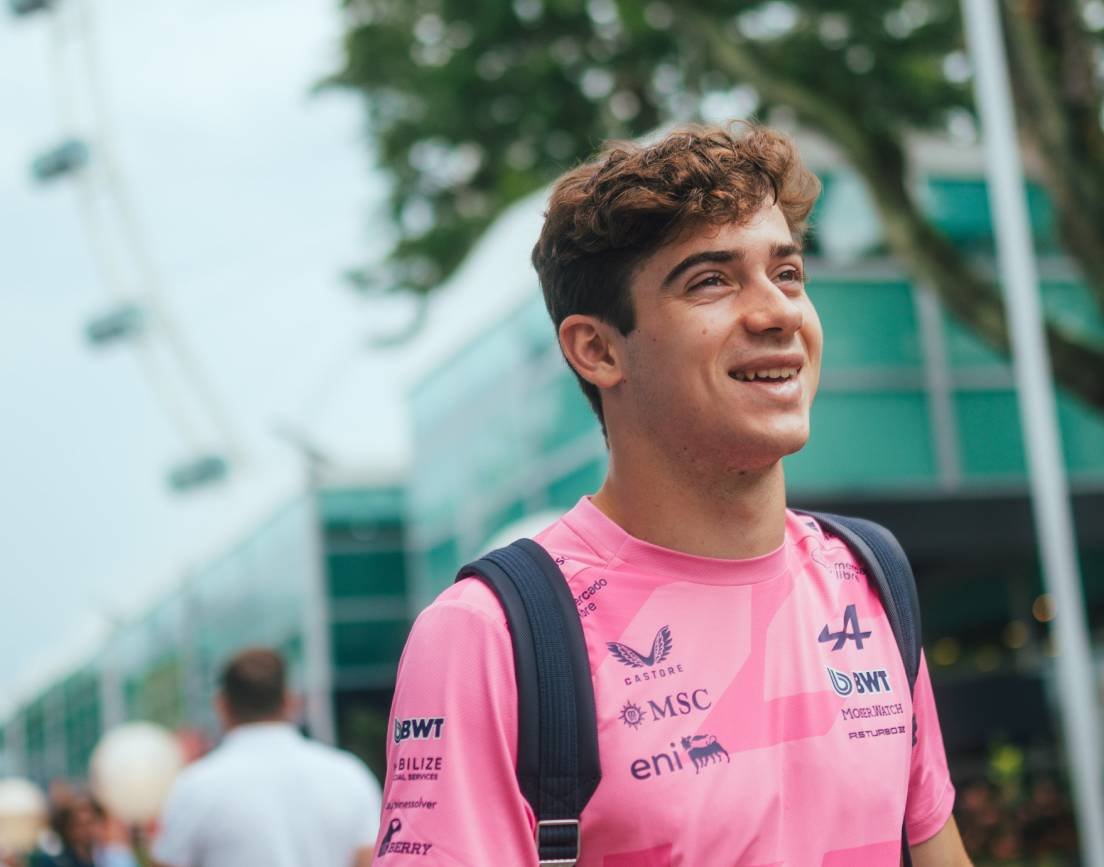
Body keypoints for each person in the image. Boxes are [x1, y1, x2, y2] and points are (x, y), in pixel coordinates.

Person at [376, 123, 972, 865]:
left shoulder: (868, 575)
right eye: (711, 281)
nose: (778, 312)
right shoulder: (487, 634)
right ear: (598, 349)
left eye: (787, 273)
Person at [151, 648, 380, 867]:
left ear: (221, 705)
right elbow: (372, 859)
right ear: (290, 701)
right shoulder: (349, 775)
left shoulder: (194, 788)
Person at [28, 792, 136, 867]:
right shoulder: (56, 862)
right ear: (68, 829)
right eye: (80, 825)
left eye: (91, 822)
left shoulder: (114, 857)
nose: (87, 830)